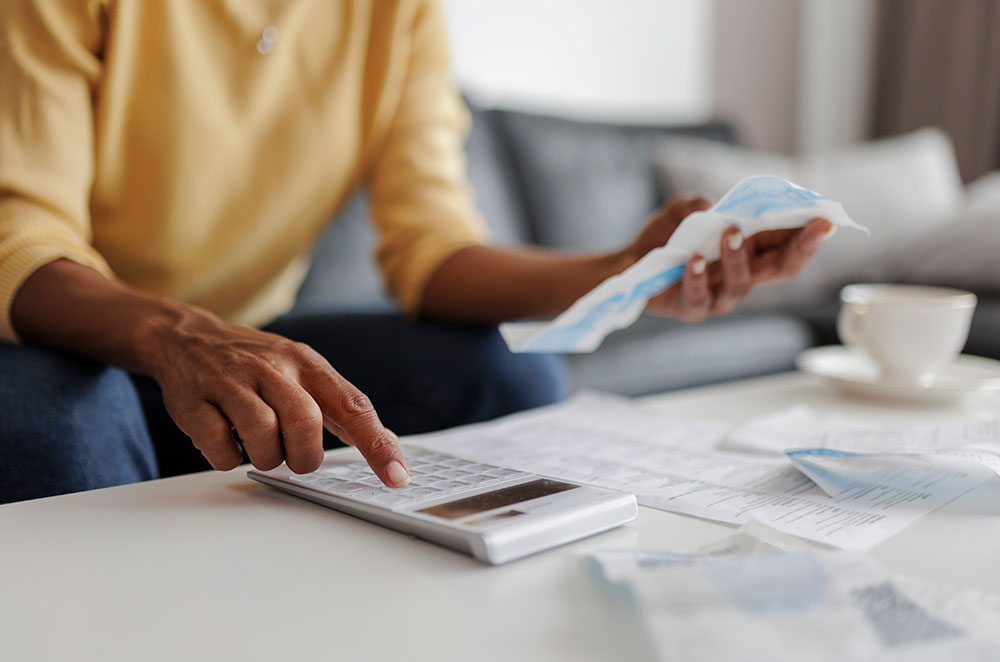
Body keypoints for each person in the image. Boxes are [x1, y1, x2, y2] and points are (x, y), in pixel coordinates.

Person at [0, 0, 833, 504]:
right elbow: (22, 241)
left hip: (243, 340)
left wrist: (624, 274)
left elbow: (431, 251)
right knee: (72, 422)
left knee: (514, 376)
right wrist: (178, 336)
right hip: (60, 337)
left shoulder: (395, 13)